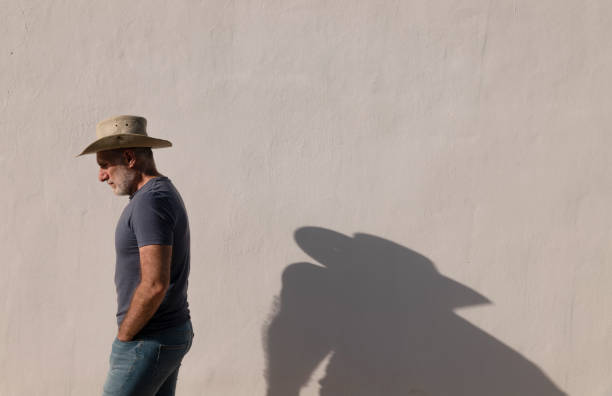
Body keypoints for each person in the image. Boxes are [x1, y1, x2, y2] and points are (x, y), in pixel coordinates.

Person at [78, 115, 193, 395]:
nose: (101, 175)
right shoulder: (158, 194)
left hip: (148, 339)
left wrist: (125, 336)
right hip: (165, 333)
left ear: (129, 158)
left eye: (105, 165)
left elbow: (154, 284)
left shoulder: (150, 202)